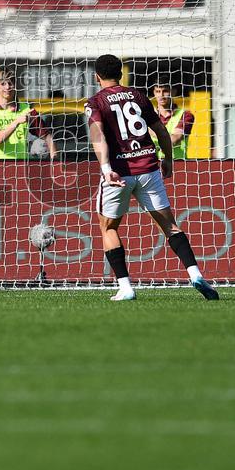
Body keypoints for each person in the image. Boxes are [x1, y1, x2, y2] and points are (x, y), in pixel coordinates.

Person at [85, 54, 219, 301]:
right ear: (121, 74)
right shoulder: (137, 95)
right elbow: (161, 131)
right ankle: (196, 274)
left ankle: (125, 287)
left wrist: (105, 169)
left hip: (119, 173)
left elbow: (98, 135)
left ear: (97, 77)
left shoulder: (95, 101)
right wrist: (167, 159)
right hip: (149, 167)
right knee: (170, 225)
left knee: (109, 227)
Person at [0, 65, 56, 159]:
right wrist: (16, 122)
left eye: (10, 83)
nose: (8, 87)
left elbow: (47, 136)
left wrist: (55, 159)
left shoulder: (27, 110)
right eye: (3, 83)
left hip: (21, 167)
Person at [151, 83, 194, 159]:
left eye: (165, 91)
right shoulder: (148, 115)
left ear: (173, 92)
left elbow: (173, 140)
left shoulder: (185, 115)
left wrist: (150, 130)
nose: (161, 95)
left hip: (178, 165)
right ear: (154, 93)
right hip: (153, 164)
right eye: (158, 91)